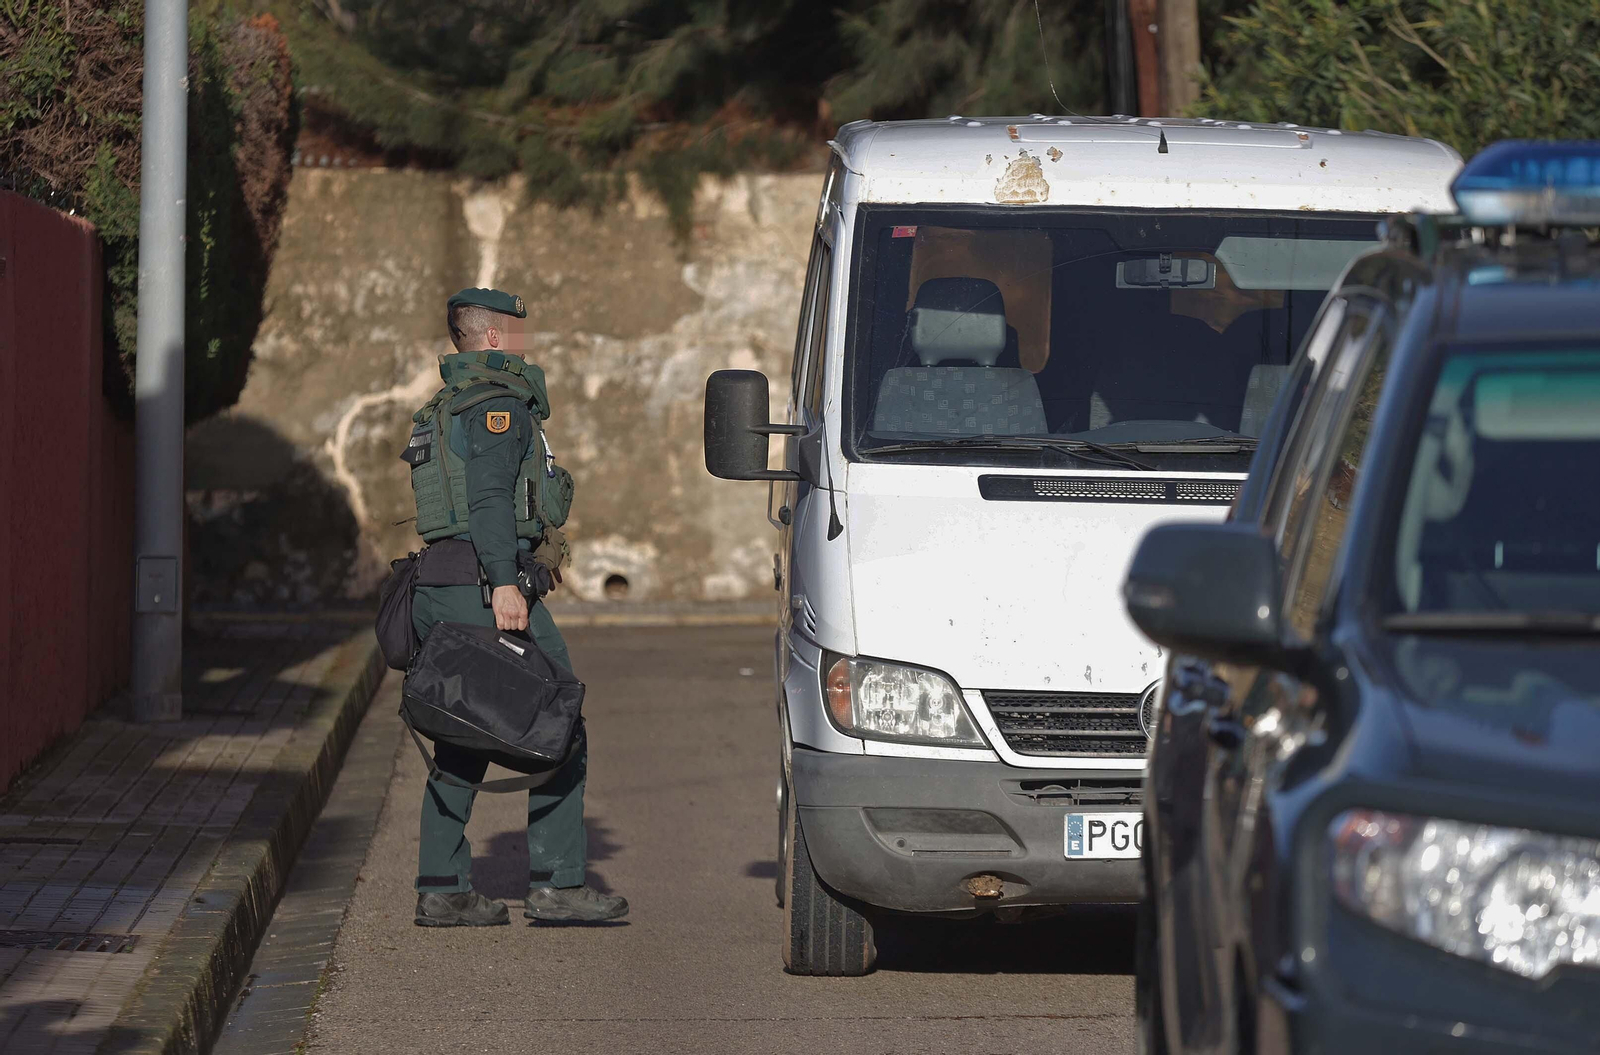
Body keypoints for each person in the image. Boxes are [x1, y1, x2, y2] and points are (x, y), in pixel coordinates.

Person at [406, 287, 627, 927]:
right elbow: (490, 501)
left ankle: (443, 888)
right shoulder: (499, 407)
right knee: (559, 722)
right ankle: (558, 884)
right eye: (519, 332)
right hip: (485, 588)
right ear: (496, 338)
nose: (527, 344)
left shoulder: (443, 408)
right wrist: (506, 581)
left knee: (463, 731)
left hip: (441, 585)